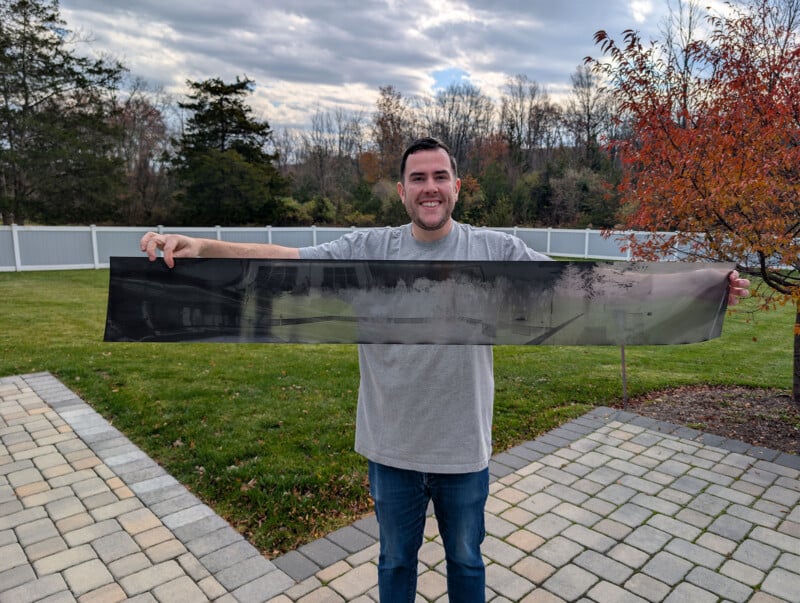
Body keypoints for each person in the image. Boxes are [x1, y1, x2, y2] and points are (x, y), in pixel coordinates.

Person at [141, 137, 750, 602]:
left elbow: (586, 288)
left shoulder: (497, 252)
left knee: (467, 563)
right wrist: (203, 248)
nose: (429, 188)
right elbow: (283, 260)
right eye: (417, 179)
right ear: (402, 191)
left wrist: (701, 287)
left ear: (458, 186)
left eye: (439, 177)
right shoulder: (369, 251)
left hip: (464, 448)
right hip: (391, 446)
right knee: (393, 565)